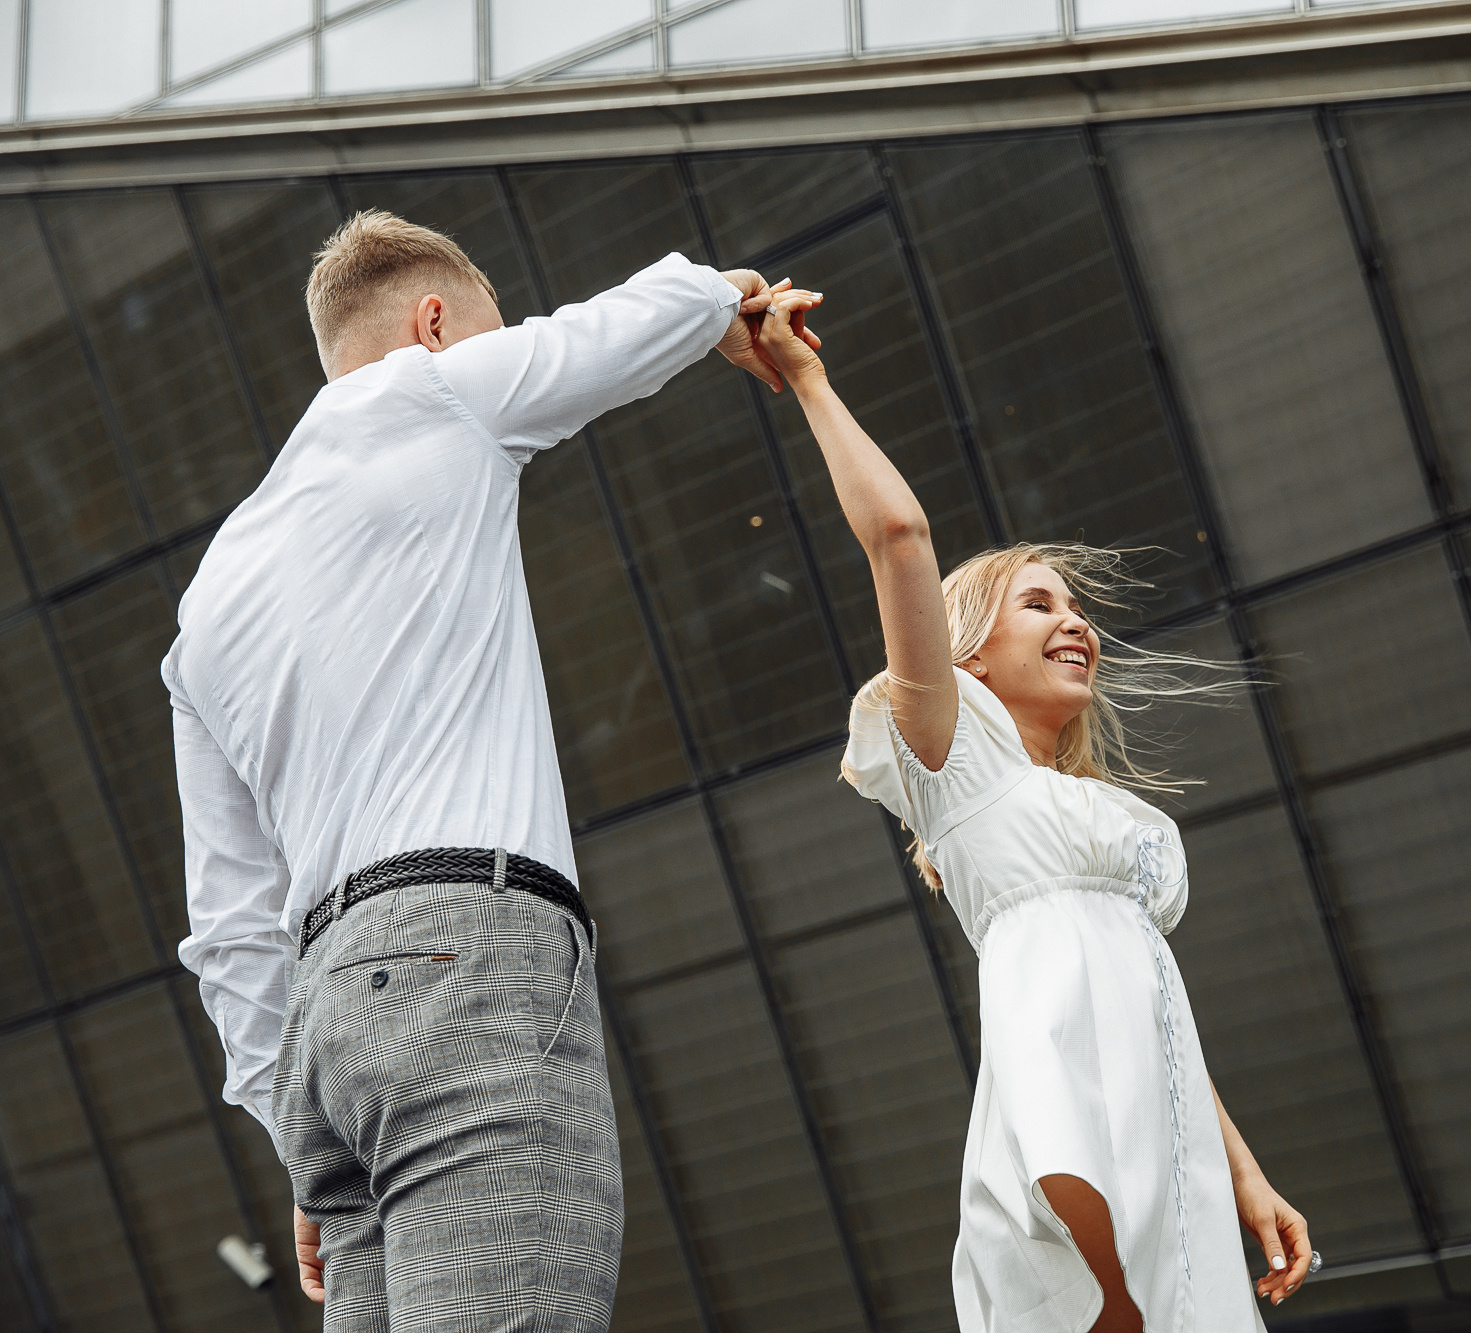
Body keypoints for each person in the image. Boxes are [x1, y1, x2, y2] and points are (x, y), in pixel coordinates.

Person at [164, 208, 816, 1331]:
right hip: (464, 964)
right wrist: (725, 298)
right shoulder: (433, 390)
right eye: (486, 332)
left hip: (325, 1031)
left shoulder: (207, 601)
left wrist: (294, 1131)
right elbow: (621, 325)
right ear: (432, 323)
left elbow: (226, 921)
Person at [752, 290, 1312, 1330]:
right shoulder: (953, 752)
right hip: (1062, 1113)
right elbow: (899, 536)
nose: (1076, 623)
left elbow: (1150, 1003)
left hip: (1165, 1140)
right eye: (1039, 602)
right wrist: (809, 382)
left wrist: (1241, 1171)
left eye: (1078, 605)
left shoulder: (1093, 809)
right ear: (965, 652)